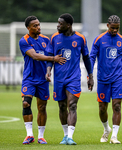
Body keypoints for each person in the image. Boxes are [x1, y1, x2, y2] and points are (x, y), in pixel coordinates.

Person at [45, 13, 94, 145]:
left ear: (68, 25)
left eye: (60, 24)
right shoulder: (54, 38)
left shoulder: (80, 38)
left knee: (72, 105)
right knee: (62, 106)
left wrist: (90, 76)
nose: (57, 25)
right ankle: (65, 135)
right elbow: (50, 55)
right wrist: (48, 70)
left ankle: (71, 137)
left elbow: (86, 58)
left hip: (74, 78)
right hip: (59, 78)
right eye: (58, 23)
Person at [19, 16, 66, 145]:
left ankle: (40, 136)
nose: (38, 27)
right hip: (29, 78)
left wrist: (49, 71)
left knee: (42, 107)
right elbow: (34, 56)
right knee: (26, 103)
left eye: (38, 24)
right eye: (35, 25)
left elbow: (51, 55)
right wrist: (53, 59)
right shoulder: (24, 41)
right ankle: (29, 135)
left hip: (43, 79)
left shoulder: (46, 40)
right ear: (28, 28)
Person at [90, 15, 122, 144]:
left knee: (117, 106)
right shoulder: (99, 39)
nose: (115, 31)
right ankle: (106, 129)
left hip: (118, 78)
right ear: (108, 25)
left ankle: (114, 136)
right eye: (113, 28)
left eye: (117, 28)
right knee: (102, 108)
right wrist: (90, 75)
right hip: (103, 78)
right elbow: (91, 57)